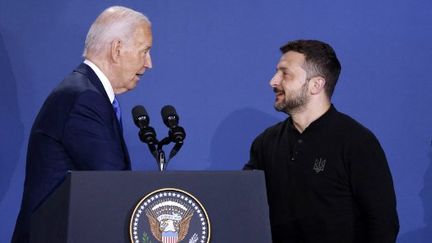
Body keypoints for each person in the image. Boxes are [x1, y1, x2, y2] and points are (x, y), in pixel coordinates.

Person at [12, 6, 152, 242]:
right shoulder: (84, 99)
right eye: (144, 51)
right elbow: (112, 184)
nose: (149, 63)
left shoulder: (85, 92)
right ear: (117, 50)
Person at [244, 40, 399, 242]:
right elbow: (243, 204)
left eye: (285, 73)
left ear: (316, 84)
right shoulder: (265, 143)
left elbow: (383, 224)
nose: (273, 81)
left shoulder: (357, 143)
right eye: (276, 72)